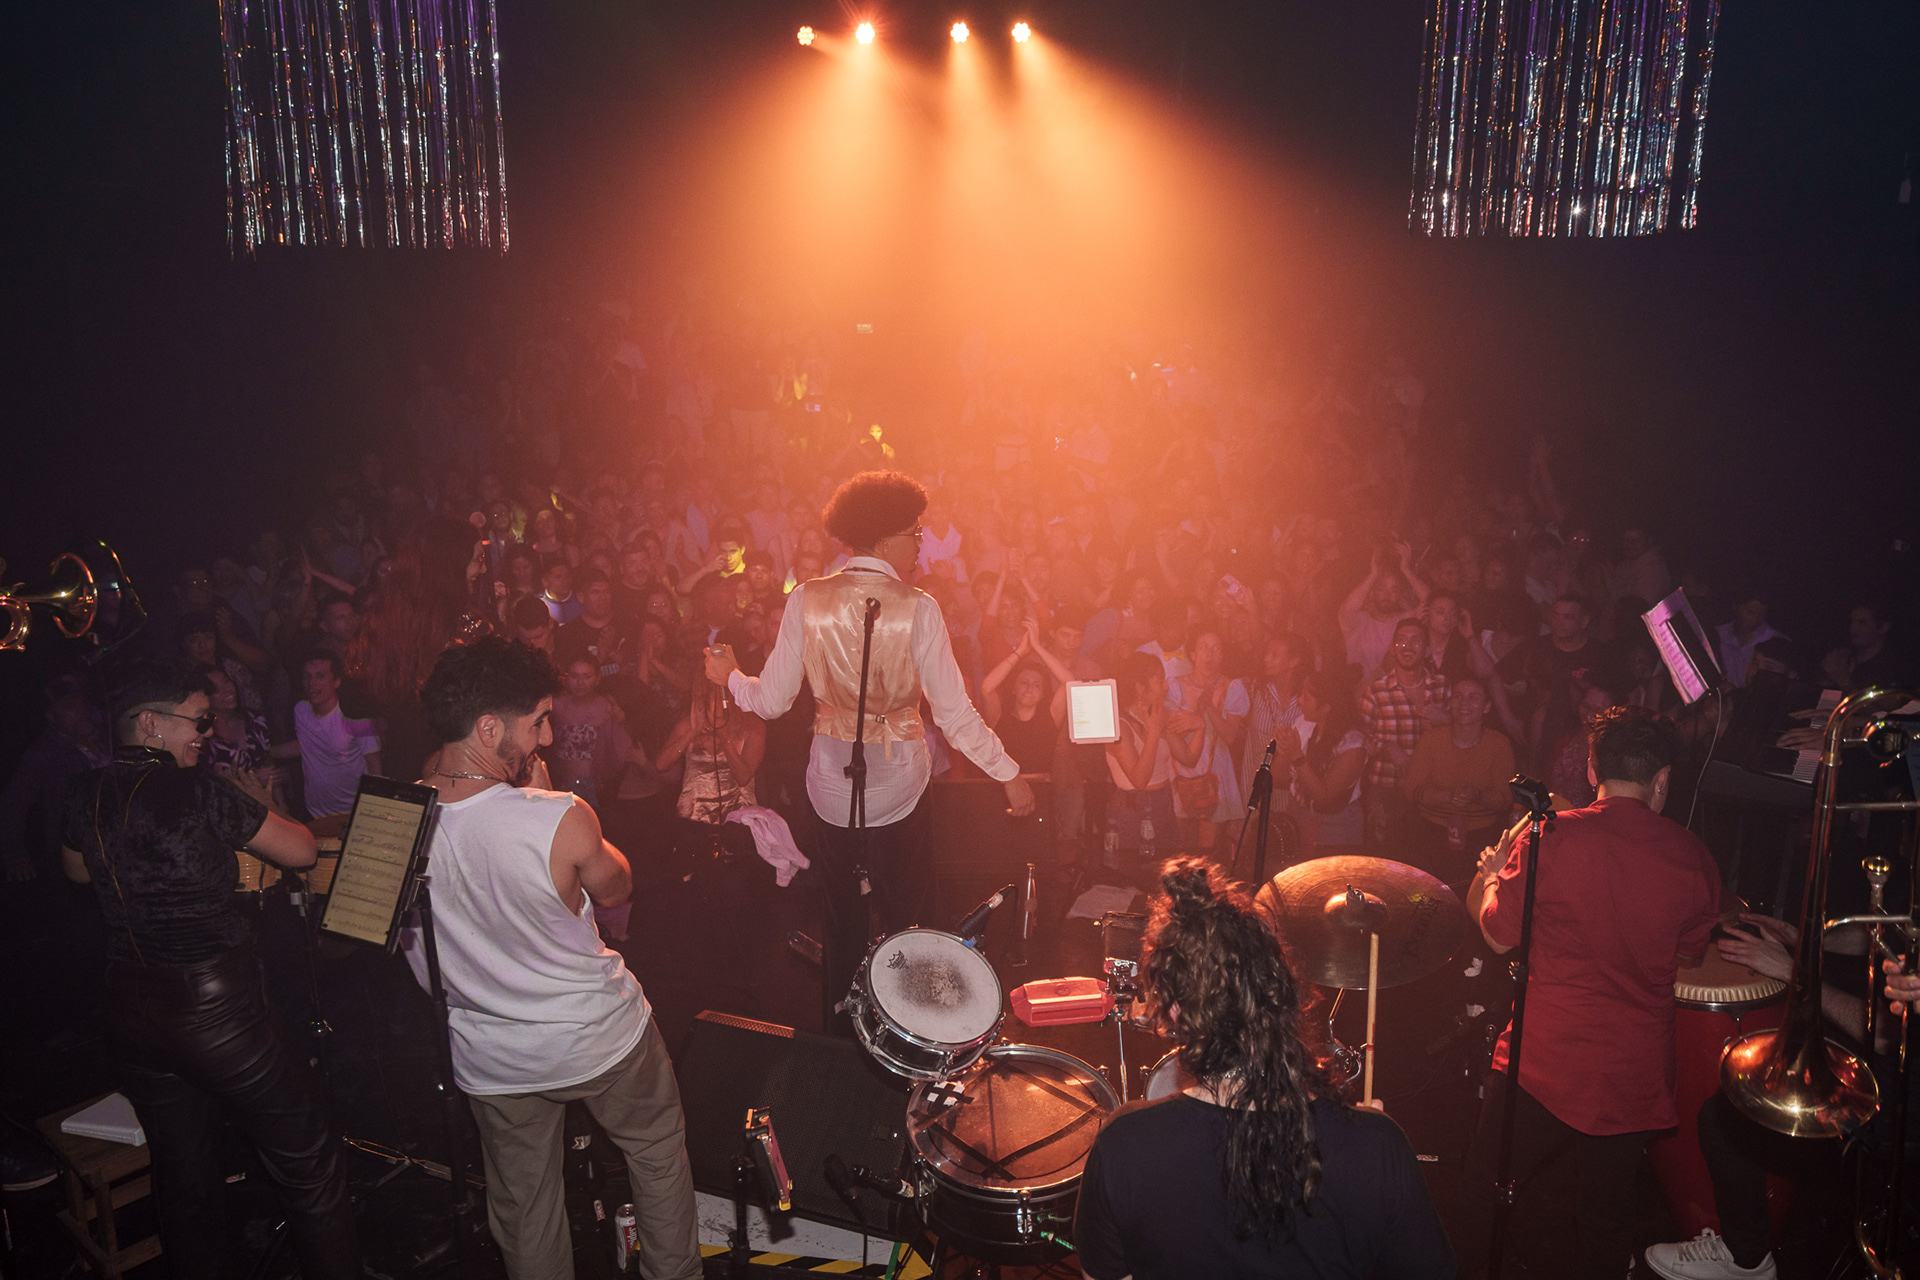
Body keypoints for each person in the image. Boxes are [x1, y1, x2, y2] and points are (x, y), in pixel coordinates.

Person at [407, 637, 701, 1280]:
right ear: (489, 728)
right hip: (596, 1037)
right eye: (538, 720)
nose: (546, 736)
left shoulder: (397, 818)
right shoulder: (559, 815)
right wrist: (543, 803)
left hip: (492, 1056)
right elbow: (617, 887)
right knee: (655, 1151)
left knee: (525, 1206)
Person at [59, 661, 356, 1280]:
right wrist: (259, 802)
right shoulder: (197, 790)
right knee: (309, 1157)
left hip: (129, 1013)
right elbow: (302, 851)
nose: (207, 731)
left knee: (184, 1173)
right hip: (214, 1011)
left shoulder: (85, 792)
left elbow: (77, 871)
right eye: (197, 721)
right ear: (149, 723)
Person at [707, 471, 1034, 1030]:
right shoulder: (920, 608)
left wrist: (731, 676)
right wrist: (1009, 773)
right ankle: (915, 1026)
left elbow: (772, 700)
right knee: (910, 911)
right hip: (902, 783)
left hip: (831, 784)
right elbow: (953, 715)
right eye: (915, 532)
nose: (921, 543)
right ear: (884, 539)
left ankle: (843, 1028)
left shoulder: (806, 599)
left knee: (842, 915)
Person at [1073, 857, 1455, 1280]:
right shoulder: (1377, 1146)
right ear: (1282, 992)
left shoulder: (1125, 1145)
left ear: (1176, 1010)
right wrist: (1367, 1148)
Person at [1452, 705, 1720, 1280]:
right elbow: (1688, 955)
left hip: (1542, 1063)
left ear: (1593, 768)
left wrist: (1492, 876)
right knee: (1606, 1217)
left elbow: (1496, 936)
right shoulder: (1696, 859)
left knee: (1482, 1192)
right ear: (1662, 779)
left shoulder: (1549, 836)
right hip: (1632, 1077)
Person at [1401, 676, 1515, 887]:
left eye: (1474, 698)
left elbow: (1505, 799)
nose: (1464, 703)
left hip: (1481, 841)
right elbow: (1411, 790)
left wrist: (1477, 796)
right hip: (1431, 835)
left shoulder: (1498, 744)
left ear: (1487, 706)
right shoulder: (1431, 740)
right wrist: (1446, 796)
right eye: (1458, 697)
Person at [1105, 651, 1203, 867]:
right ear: (1140, 687)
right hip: (1133, 809)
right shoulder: (1119, 726)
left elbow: (1188, 758)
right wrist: (1154, 733)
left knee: (1169, 872)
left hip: (1163, 804)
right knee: (1133, 874)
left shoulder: (1158, 715)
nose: (1166, 687)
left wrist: (1200, 728)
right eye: (1159, 680)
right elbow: (1139, 780)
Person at [1359, 617, 1450, 847]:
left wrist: (1447, 720)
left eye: (1415, 641)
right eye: (1401, 641)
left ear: (1427, 649)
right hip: (1387, 789)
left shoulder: (1442, 686)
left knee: (1427, 859)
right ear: (1392, 648)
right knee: (1383, 860)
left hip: (1433, 789)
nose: (1407, 647)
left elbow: (1465, 734)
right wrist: (1387, 746)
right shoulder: (1377, 691)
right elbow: (1361, 737)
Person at [287, 650, 381, 818]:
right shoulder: (301, 711)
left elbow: (375, 769)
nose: (312, 683)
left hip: (353, 812)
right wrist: (264, 752)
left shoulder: (355, 718)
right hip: (315, 813)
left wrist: (371, 812)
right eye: (307, 677)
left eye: (320, 676)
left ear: (337, 681)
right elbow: (305, 745)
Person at [1280, 670, 1367, 848]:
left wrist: (1296, 755)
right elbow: (1277, 777)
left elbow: (1324, 797)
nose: (1300, 701)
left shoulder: (1353, 744)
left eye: (1306, 697)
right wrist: (1283, 748)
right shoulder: (1304, 724)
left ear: (1326, 708)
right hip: (1299, 814)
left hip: (1335, 826)